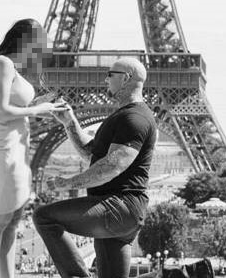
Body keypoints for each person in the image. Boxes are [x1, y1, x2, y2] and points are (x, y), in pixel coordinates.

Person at [33, 57, 157, 278]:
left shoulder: (135, 118)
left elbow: (113, 165)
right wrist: (70, 122)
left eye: (110, 74)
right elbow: (90, 153)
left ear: (126, 78)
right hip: (121, 211)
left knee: (44, 217)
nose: (105, 79)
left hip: (119, 206)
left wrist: (69, 183)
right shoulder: (124, 117)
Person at [0, 18, 69, 278]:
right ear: (27, 38)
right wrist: (39, 108)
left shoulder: (15, 69)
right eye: (41, 40)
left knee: (12, 223)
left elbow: (20, 111)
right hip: (7, 148)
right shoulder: (2, 64)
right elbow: (1, 112)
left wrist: (47, 106)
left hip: (19, 150)